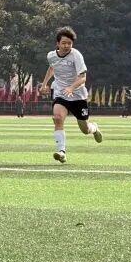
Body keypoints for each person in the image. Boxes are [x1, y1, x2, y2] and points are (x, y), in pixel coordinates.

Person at [39, 26, 103, 164]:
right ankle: (61, 152)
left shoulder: (76, 55)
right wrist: (44, 84)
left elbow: (83, 78)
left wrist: (71, 88)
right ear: (57, 43)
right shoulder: (51, 55)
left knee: (85, 129)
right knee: (57, 118)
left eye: (69, 43)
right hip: (60, 93)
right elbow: (52, 67)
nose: (66, 46)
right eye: (64, 43)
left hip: (78, 96)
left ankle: (94, 128)